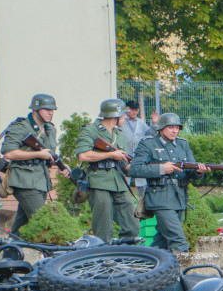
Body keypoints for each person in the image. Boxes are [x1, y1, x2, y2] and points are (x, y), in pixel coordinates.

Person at [128, 113, 209, 252]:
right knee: (178, 240)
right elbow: (134, 169)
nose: (175, 131)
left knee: (162, 241)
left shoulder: (182, 144)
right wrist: (161, 168)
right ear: (161, 128)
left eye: (177, 128)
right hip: (160, 197)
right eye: (171, 127)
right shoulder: (148, 144)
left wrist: (199, 171)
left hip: (179, 197)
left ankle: (146, 266)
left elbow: (190, 170)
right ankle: (186, 270)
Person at [1, 94, 69, 235]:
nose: (50, 112)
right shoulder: (21, 126)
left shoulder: (50, 129)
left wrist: (62, 165)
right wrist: (37, 154)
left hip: (41, 180)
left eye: (52, 109)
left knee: (22, 224)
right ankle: (52, 254)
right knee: (43, 221)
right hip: (24, 180)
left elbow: (49, 153)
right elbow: (9, 153)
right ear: (35, 109)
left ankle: (10, 256)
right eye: (46, 109)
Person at [75, 99, 139, 242]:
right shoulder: (91, 130)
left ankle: (125, 257)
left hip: (118, 181)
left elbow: (123, 163)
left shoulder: (119, 133)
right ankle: (104, 260)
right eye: (123, 115)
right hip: (99, 181)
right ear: (114, 116)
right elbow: (83, 155)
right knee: (103, 228)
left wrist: (139, 168)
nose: (125, 117)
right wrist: (110, 154)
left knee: (132, 225)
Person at [121, 99, 151, 192]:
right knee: (123, 183)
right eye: (132, 109)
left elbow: (150, 133)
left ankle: (143, 204)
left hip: (138, 156)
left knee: (142, 183)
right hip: (124, 156)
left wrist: (154, 124)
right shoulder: (121, 120)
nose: (135, 112)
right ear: (127, 109)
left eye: (136, 110)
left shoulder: (140, 122)